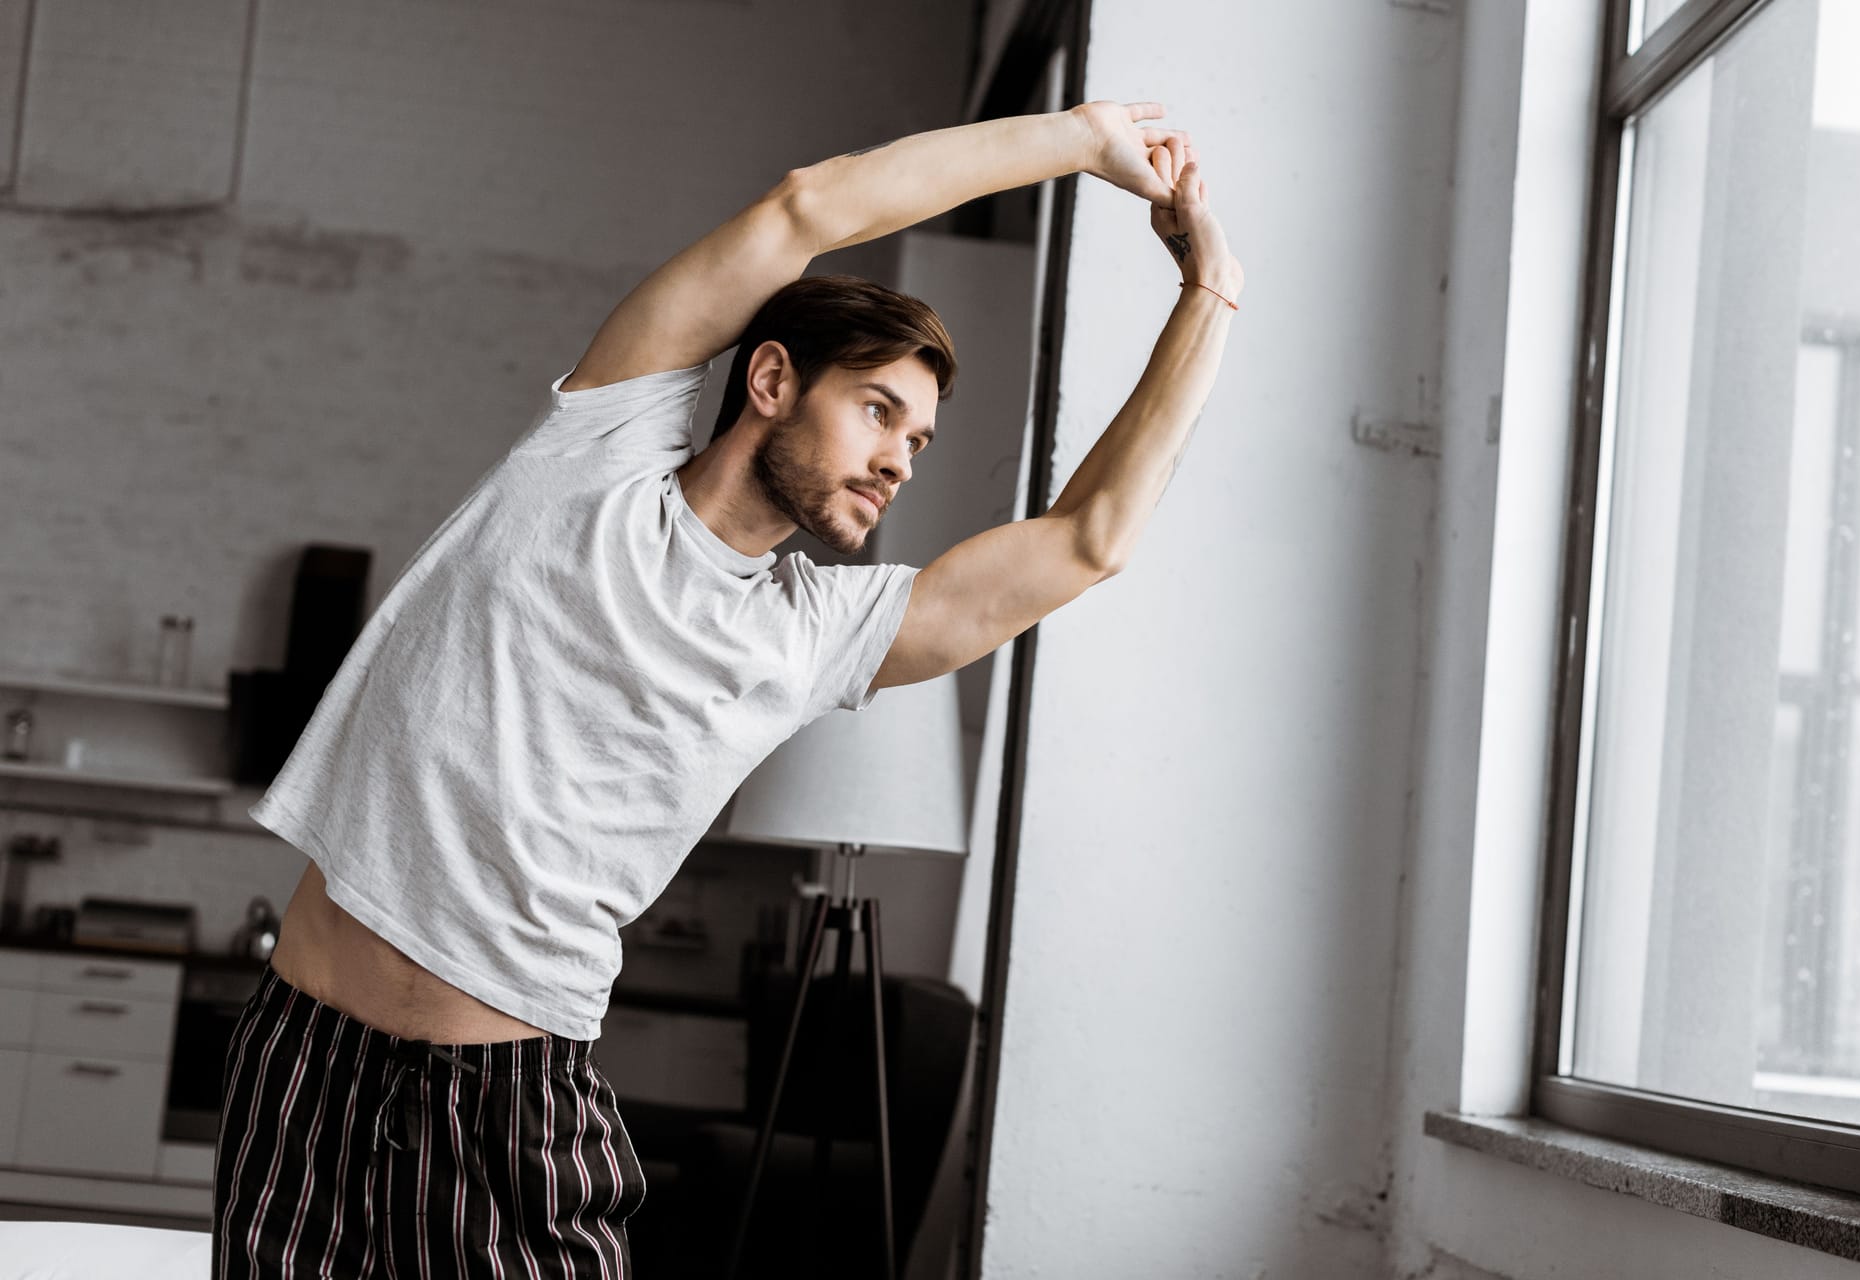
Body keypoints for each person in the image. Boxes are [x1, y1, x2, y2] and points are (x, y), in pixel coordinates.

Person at [213, 98, 1241, 1275]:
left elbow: (1086, 540)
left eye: (922, 441)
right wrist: (1085, 135)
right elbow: (809, 206)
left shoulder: (816, 633)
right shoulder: (596, 447)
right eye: (879, 410)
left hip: (498, 1102)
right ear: (768, 378)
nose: (902, 456)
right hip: (301, 1062)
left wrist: (1211, 296)